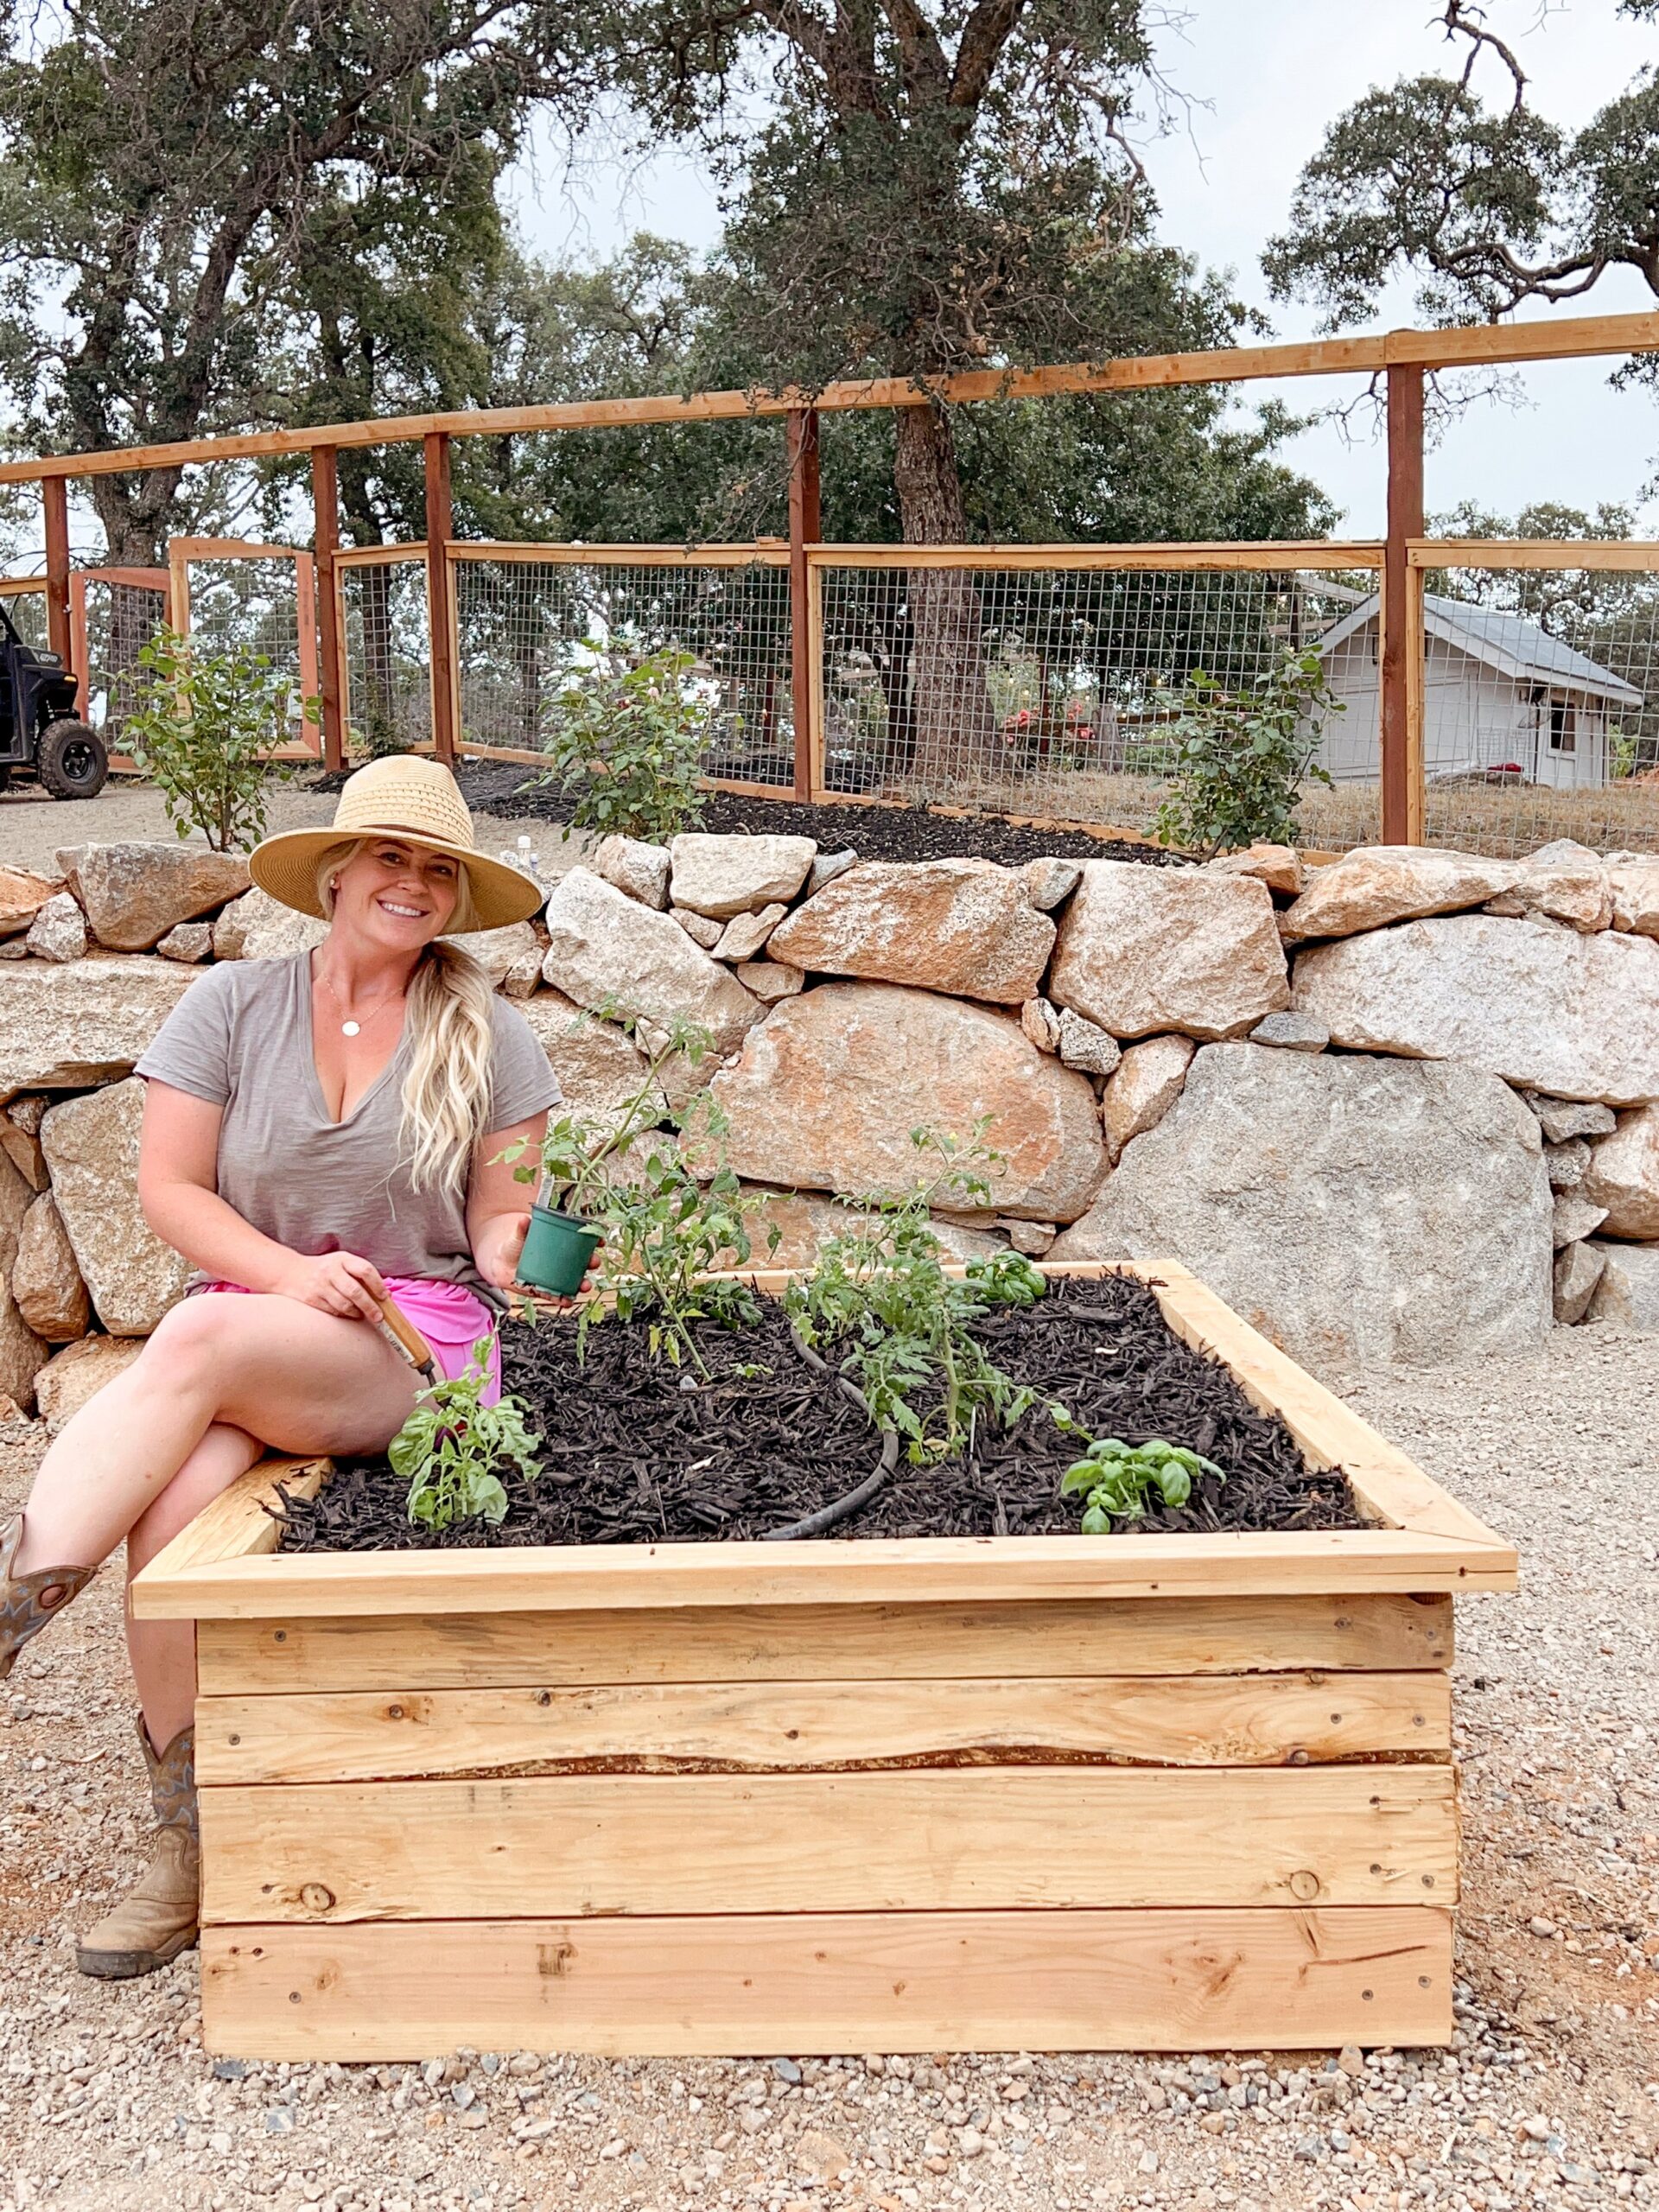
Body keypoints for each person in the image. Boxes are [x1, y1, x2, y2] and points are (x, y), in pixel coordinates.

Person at [0, 756, 564, 1978]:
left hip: (414, 1348)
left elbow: (494, 1233)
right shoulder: (231, 1010)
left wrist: (535, 1250)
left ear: (454, 896)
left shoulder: (489, 1036)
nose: (410, 883)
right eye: (390, 858)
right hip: (260, 1327)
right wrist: (289, 1275)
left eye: (436, 868)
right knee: (173, 1507)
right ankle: (190, 1841)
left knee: (194, 1341)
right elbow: (168, 1192)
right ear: (340, 873)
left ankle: (8, 1618)